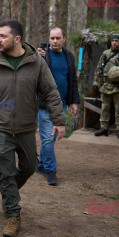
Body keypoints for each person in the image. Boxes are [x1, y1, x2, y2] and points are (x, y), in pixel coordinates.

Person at [0, 19, 66, 237]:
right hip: (0, 127)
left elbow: (50, 92)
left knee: (30, 166)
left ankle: (8, 191)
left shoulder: (37, 63)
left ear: (17, 39)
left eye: (3, 36)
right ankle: (13, 214)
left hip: (26, 127)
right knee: (5, 170)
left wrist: (59, 120)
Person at [36, 27, 80, 185]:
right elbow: (31, 73)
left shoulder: (69, 56)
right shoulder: (42, 55)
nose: (54, 41)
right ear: (48, 39)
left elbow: (73, 80)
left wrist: (74, 101)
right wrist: (37, 57)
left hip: (61, 103)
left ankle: (40, 164)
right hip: (44, 103)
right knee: (48, 138)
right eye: (52, 38)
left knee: (51, 138)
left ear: (64, 39)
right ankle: (51, 171)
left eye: (57, 38)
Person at [93, 34, 119, 139]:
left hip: (118, 86)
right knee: (105, 107)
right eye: (113, 41)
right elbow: (98, 69)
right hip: (105, 85)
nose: (114, 42)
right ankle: (104, 128)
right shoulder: (105, 54)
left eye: (117, 41)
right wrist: (96, 82)